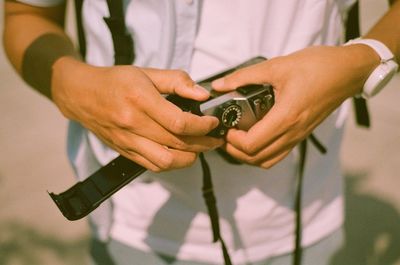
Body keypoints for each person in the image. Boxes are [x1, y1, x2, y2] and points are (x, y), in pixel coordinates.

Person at [3, 0, 400, 264]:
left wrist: (364, 60)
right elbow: (26, 14)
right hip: (132, 226)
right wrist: (77, 88)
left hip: (303, 217)